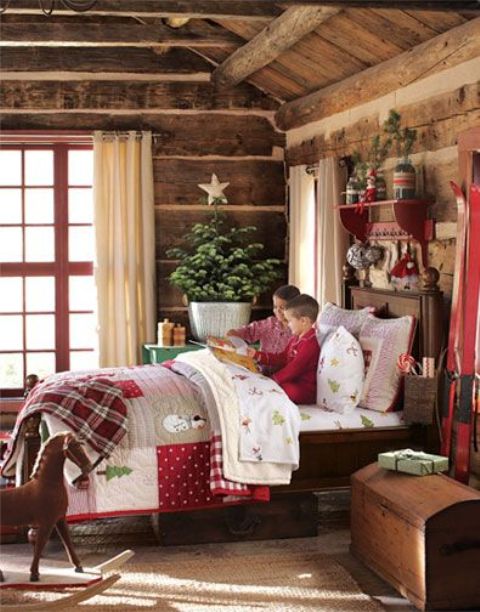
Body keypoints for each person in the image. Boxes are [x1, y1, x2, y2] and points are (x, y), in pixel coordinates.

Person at [249, 294, 320, 405]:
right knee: (265, 383)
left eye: (290, 321)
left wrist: (272, 380)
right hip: (292, 382)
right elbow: (282, 358)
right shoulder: (295, 338)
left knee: (277, 390)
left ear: (303, 321)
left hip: (304, 389)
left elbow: (293, 369)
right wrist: (257, 354)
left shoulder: (311, 343)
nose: (288, 325)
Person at [227, 285, 300, 353]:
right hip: (262, 365)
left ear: (296, 308)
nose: (277, 311)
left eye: (282, 308)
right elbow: (250, 330)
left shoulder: (298, 330)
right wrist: (236, 333)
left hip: (287, 366)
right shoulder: (269, 324)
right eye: (275, 307)